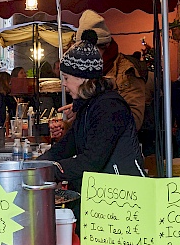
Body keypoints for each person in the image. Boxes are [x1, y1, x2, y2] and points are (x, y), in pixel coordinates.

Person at [38, 29, 144, 195]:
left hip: (123, 195)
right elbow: (66, 146)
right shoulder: (87, 106)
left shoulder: (109, 107)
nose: (63, 84)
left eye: (66, 78)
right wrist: (36, 165)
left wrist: (51, 171)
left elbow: (92, 160)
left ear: (83, 78)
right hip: (104, 193)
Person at [50, 10, 147, 138]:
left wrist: (90, 111)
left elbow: (134, 121)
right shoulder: (87, 73)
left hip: (120, 152)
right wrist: (70, 124)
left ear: (104, 47)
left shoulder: (126, 72)